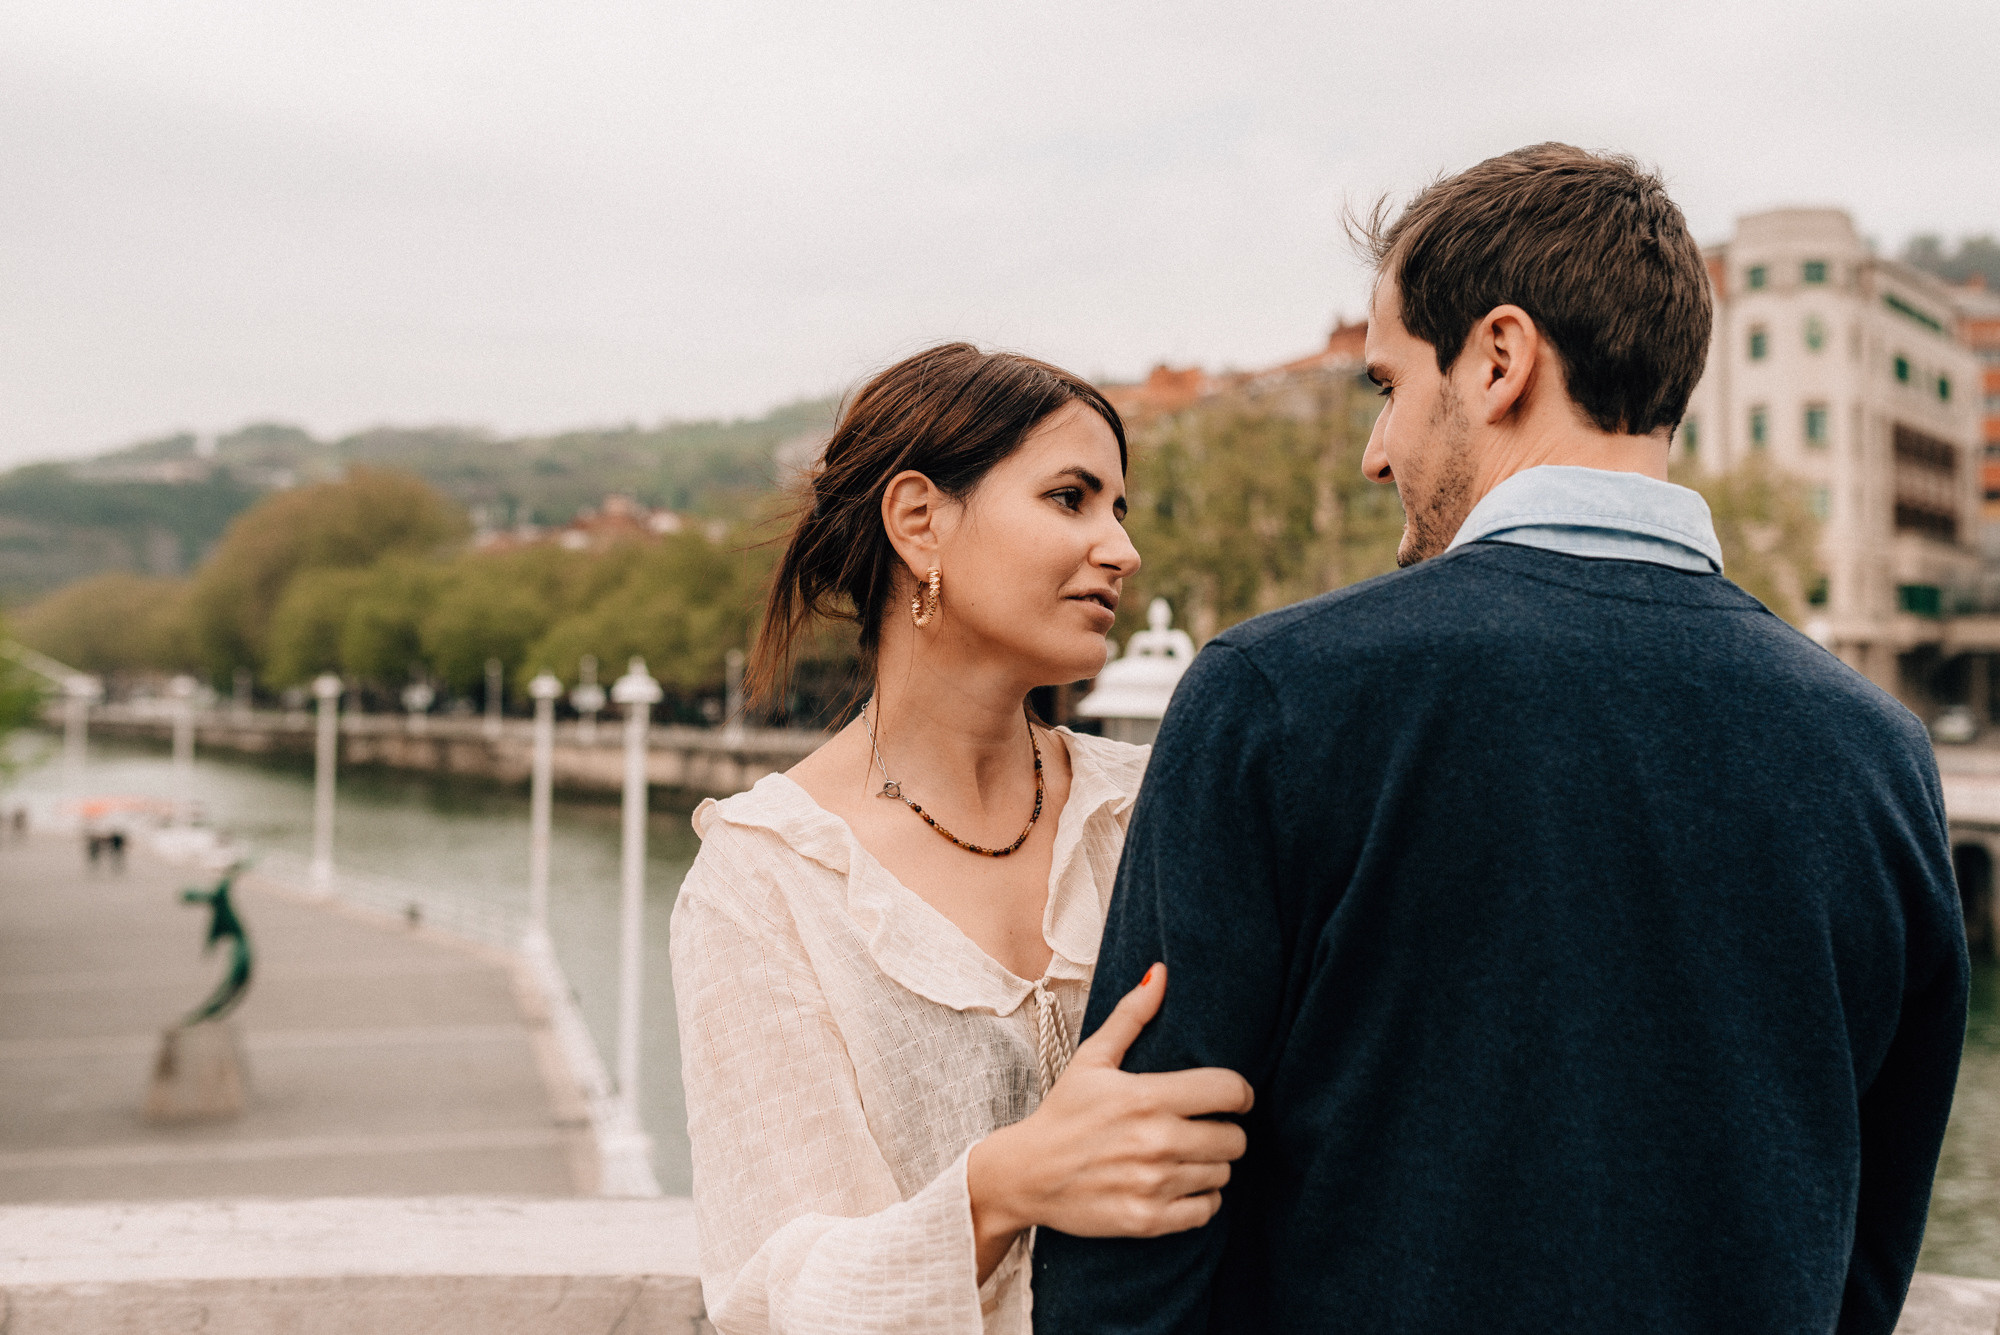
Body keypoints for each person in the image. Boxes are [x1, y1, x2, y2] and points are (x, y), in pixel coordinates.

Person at [1034, 144, 1968, 1334]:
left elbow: (1135, 1215)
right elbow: (1866, 1248)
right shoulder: (1879, 757)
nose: (1375, 451)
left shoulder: (1275, 694)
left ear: (1496, 359)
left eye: (1385, 386)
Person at [670, 343, 1254, 1335]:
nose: (1120, 549)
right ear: (917, 521)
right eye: (1069, 499)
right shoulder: (766, 876)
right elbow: (777, 1296)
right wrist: (999, 1186)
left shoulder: (1154, 807)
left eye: (1119, 509)